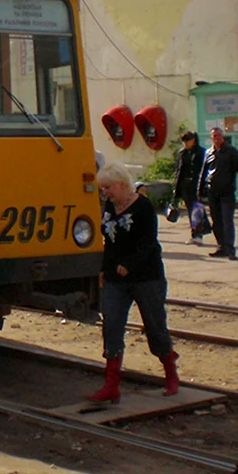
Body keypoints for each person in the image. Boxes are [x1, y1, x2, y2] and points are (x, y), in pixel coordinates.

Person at [87, 162, 179, 403]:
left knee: (154, 325)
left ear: (121, 184)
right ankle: (111, 385)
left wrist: (129, 264)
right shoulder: (109, 206)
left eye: (107, 187)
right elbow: (108, 240)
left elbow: (148, 243)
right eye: (102, 188)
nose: (104, 192)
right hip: (116, 279)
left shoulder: (143, 207)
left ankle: (170, 371)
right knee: (112, 326)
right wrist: (104, 269)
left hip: (146, 277)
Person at [198, 127, 238, 260]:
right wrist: (200, 191)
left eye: (219, 135)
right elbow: (203, 173)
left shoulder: (231, 151)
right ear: (211, 138)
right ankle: (221, 247)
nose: (217, 138)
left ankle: (230, 249)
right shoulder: (209, 153)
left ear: (223, 137)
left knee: (227, 221)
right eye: (214, 136)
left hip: (227, 192)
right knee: (216, 221)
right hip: (212, 192)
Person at [173, 131, 205, 245]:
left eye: (188, 140)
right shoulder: (183, 153)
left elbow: (203, 170)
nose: (186, 143)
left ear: (194, 140)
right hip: (185, 186)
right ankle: (195, 234)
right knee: (191, 210)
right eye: (184, 141)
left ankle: (198, 234)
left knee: (197, 210)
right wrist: (176, 188)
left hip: (197, 186)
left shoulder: (201, 152)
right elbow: (179, 171)